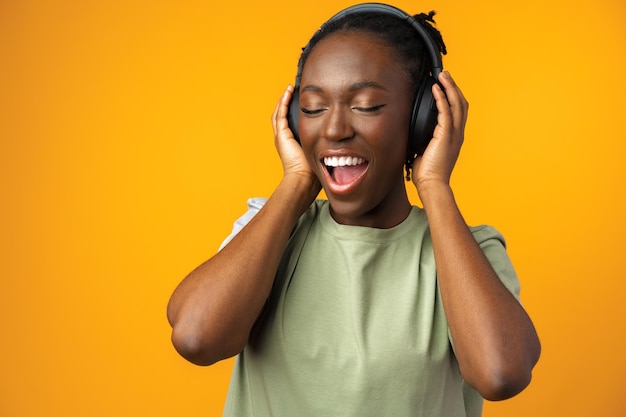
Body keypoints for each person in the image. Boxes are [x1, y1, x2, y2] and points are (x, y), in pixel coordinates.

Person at [167, 3, 541, 416]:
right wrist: (296, 183)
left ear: (424, 119)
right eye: (311, 108)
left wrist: (433, 185)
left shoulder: (470, 253)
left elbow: (500, 373)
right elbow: (196, 338)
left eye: (365, 106)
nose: (333, 129)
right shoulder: (268, 231)